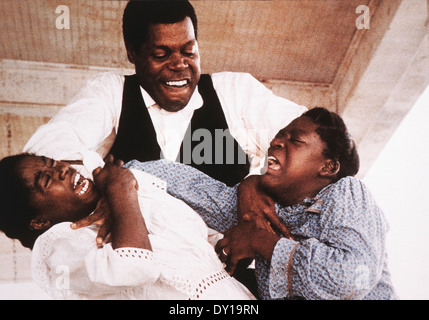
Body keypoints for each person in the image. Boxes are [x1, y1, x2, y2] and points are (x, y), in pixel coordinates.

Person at [117, 108, 397, 300]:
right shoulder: (261, 207)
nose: (276, 142)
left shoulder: (346, 192)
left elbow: (350, 278)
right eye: (279, 135)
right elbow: (194, 187)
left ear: (328, 167)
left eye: (295, 140)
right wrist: (122, 173)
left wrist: (260, 242)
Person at [23, 0, 306, 186]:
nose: (179, 65)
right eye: (161, 54)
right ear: (132, 53)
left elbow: (310, 136)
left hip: (231, 270)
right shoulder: (111, 93)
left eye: (189, 51)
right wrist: (107, 180)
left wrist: (259, 184)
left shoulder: (234, 90)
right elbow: (44, 149)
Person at [0, 154, 255, 300]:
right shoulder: (59, 246)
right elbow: (135, 267)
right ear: (38, 222)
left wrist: (228, 245)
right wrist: (120, 189)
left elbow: (195, 247)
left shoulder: (132, 198)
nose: (62, 170)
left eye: (53, 163)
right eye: (47, 179)